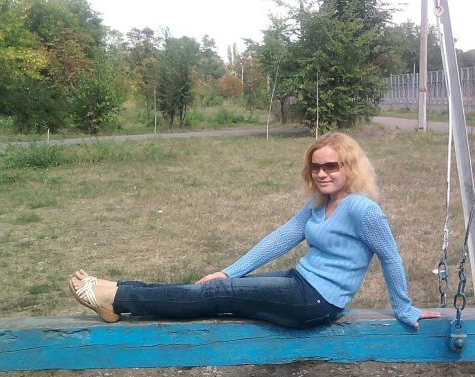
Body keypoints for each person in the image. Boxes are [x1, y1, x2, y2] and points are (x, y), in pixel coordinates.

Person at [69, 132, 440, 329]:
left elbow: (391, 258)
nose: (321, 173)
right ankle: (118, 293)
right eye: (315, 167)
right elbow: (279, 239)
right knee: (217, 287)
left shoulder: (362, 208)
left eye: (331, 166)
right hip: (299, 282)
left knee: (217, 295)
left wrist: (403, 308)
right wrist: (229, 271)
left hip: (317, 302)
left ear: (349, 167)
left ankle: (116, 297)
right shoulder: (319, 203)